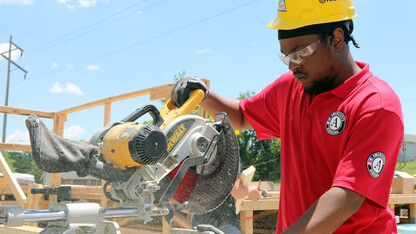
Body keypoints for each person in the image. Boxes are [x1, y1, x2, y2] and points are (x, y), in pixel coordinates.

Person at [170, 0, 404, 233]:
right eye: (286, 57)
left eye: (300, 54)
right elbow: (242, 116)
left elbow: (346, 197)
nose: (292, 66)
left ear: (337, 38)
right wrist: (203, 94)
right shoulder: (292, 88)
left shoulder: (375, 105)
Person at [191, 160, 261, 234]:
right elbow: (236, 191)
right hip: (223, 224)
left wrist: (238, 198)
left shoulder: (202, 153)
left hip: (200, 222)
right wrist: (250, 192)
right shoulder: (231, 153)